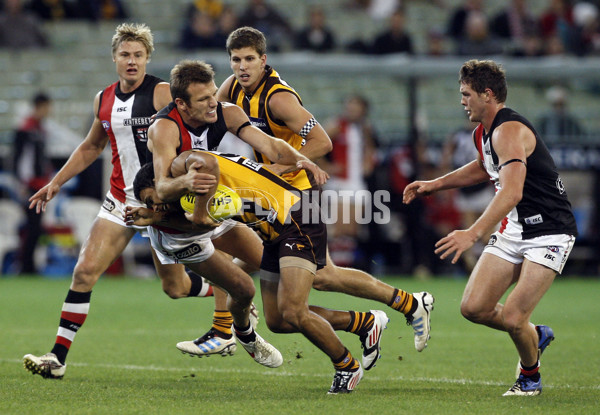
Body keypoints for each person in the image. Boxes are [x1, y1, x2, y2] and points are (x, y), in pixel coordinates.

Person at [211, 25, 433, 355]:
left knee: (315, 280)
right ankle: (397, 308)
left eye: (249, 59)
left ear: (263, 60)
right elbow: (211, 121)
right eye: (235, 60)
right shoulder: (232, 88)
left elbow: (322, 142)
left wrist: (275, 170)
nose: (242, 66)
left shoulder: (279, 99)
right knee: (303, 295)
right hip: (274, 196)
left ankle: (228, 317)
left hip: (299, 196)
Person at [22, 23, 213, 380]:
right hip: (119, 200)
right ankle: (57, 357)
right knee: (84, 272)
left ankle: (229, 294)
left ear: (147, 58)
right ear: (114, 58)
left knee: (175, 288)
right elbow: (92, 146)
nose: (131, 61)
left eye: (138, 55)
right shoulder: (103, 98)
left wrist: (177, 189)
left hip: (160, 204)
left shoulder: (161, 93)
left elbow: (184, 139)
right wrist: (56, 183)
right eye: (125, 54)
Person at [403, 59, 578, 396]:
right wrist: (435, 184)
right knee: (474, 308)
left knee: (513, 318)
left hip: (550, 231)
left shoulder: (509, 130)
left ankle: (530, 377)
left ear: (487, 94)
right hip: (516, 230)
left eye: (467, 94)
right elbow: (485, 168)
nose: (462, 100)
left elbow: (512, 191)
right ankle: (536, 335)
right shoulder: (482, 132)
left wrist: (473, 233)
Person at [163, 149, 383, 394]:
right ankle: (364, 323)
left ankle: (346, 366)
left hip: (297, 222)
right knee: (277, 321)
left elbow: (209, 167)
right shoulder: (203, 166)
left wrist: (198, 214)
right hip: (274, 233)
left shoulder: (191, 161)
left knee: (294, 310)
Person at [128, 162, 283, 369]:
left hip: (208, 218)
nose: (153, 206)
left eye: (151, 199)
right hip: (182, 240)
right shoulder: (156, 216)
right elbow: (190, 223)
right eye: (148, 204)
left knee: (279, 266)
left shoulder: (193, 178)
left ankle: (224, 319)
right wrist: (157, 217)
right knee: (243, 289)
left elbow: (214, 215)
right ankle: (243, 334)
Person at [12, 92, 53, 274]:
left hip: (40, 184)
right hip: (30, 185)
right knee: (32, 227)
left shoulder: (40, 130)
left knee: (36, 228)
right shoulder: (26, 130)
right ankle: (25, 267)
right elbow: (20, 160)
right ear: (40, 106)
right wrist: (22, 184)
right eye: (46, 107)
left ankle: (30, 265)